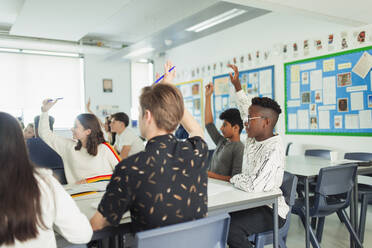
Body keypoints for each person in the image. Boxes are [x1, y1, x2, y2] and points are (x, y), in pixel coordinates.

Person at [90, 61, 209, 233]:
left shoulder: (130, 168)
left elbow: (96, 225)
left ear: (147, 116)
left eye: (139, 112)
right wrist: (169, 89)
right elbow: (195, 128)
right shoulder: (197, 151)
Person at [0, 112, 93, 248]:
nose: (71, 129)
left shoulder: (103, 148)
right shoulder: (44, 181)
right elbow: (82, 234)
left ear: (89, 131)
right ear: (21, 142)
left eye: (75, 126)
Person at [226, 64, 288, 248]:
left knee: (231, 229)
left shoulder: (274, 149)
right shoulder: (255, 135)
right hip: (249, 201)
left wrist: (233, 178)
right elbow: (246, 107)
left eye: (249, 120)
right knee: (217, 219)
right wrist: (237, 85)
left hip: (271, 210)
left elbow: (254, 185)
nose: (245, 122)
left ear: (266, 122)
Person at [38, 100, 120, 184]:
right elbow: (45, 134)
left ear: (87, 131)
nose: (71, 129)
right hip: (79, 195)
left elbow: (124, 171)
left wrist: (89, 181)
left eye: (75, 126)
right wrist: (45, 112)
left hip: (103, 194)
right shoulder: (69, 147)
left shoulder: (105, 148)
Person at [204, 82, 244, 182]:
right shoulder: (222, 141)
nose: (221, 128)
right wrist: (208, 97)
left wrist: (209, 174)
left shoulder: (239, 148)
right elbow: (209, 124)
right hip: (213, 186)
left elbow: (235, 178)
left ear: (236, 128)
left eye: (225, 125)